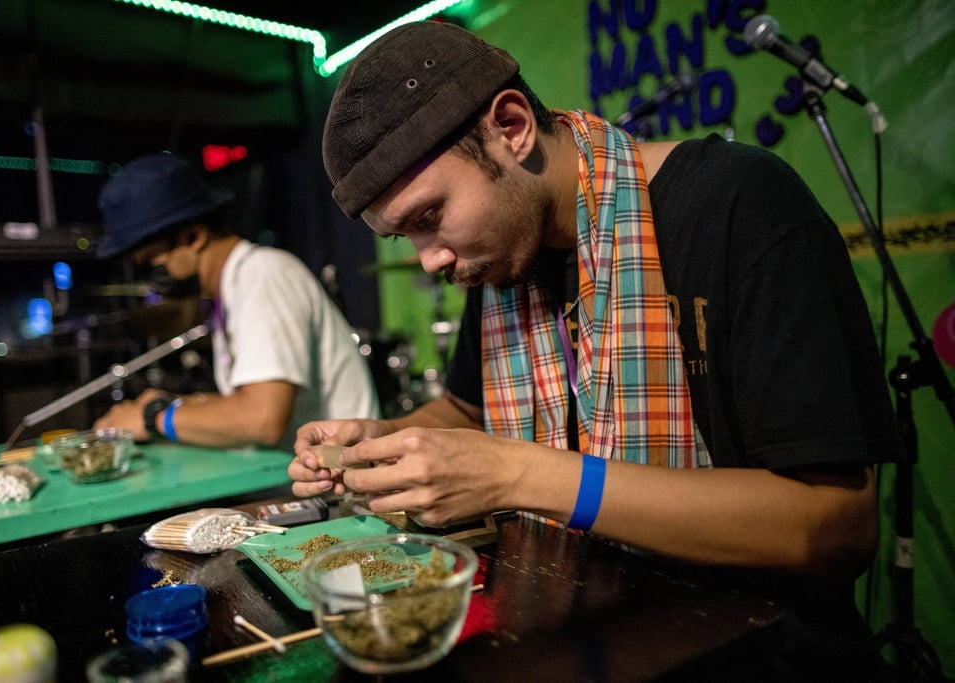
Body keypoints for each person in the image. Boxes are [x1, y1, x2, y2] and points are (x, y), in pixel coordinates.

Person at [290, 21, 903, 679]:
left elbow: (836, 524)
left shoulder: (740, 203)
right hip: (590, 634)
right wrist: (383, 440)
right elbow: (467, 413)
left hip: (762, 651)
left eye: (428, 217)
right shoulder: (502, 258)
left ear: (512, 126)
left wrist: (518, 474)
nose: (430, 258)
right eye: (402, 237)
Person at [92, 153, 380, 450]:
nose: (152, 275)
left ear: (193, 237)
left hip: (339, 488)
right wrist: (177, 404)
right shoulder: (237, 285)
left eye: (152, 260)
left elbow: (262, 419)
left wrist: (153, 418)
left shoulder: (262, 275)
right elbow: (247, 401)